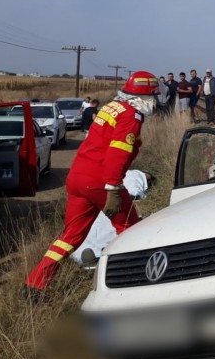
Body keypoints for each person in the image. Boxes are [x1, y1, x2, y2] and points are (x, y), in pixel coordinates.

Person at [19, 71, 159, 301]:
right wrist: (113, 188)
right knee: (129, 228)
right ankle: (132, 282)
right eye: (153, 96)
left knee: (70, 237)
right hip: (100, 180)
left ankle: (34, 285)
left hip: (78, 177)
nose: (155, 101)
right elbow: (117, 154)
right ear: (144, 96)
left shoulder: (112, 107)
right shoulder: (131, 115)